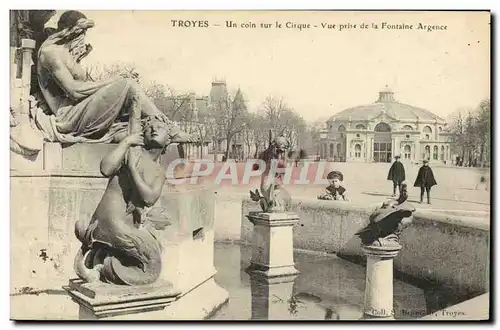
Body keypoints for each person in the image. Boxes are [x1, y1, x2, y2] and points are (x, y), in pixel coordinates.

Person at [74, 115, 196, 285]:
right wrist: (126, 142)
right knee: (152, 264)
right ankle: (102, 266)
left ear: (168, 139)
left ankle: (102, 258)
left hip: (118, 223)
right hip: (112, 221)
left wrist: (132, 170)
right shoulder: (132, 152)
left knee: (155, 249)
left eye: (159, 128)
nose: (153, 130)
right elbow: (106, 168)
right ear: (142, 135)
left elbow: (149, 199)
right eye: (149, 128)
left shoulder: (159, 170)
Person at [32, 10, 169, 144]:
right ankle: (168, 129)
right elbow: (75, 91)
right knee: (127, 84)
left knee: (129, 88)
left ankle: (162, 127)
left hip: (79, 108)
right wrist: (115, 79)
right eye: (82, 33)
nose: (82, 37)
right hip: (68, 117)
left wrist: (115, 84)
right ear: (73, 31)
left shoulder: (66, 53)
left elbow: (85, 87)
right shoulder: (50, 53)